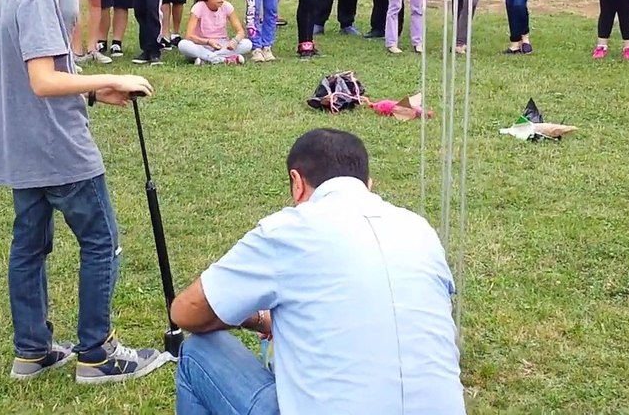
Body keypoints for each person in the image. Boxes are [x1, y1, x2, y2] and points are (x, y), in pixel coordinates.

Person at [0, 0, 169, 385]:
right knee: (101, 240)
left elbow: (33, 79)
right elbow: (44, 81)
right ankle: (98, 353)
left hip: (22, 146)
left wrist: (89, 95)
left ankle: (33, 350)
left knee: (29, 247)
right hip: (59, 149)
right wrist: (109, 80)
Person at [170, 129, 465, 415]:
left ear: (296, 183)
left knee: (198, 352)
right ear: (368, 184)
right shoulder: (419, 230)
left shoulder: (288, 230)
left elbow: (186, 312)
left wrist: (255, 318)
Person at [180, 0, 254, 65]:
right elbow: (189, 36)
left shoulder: (227, 6)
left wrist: (235, 41)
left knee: (247, 44)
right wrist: (208, 42)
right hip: (201, 45)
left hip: (222, 46)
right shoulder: (198, 7)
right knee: (183, 45)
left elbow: (240, 31)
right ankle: (223, 59)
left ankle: (207, 59)